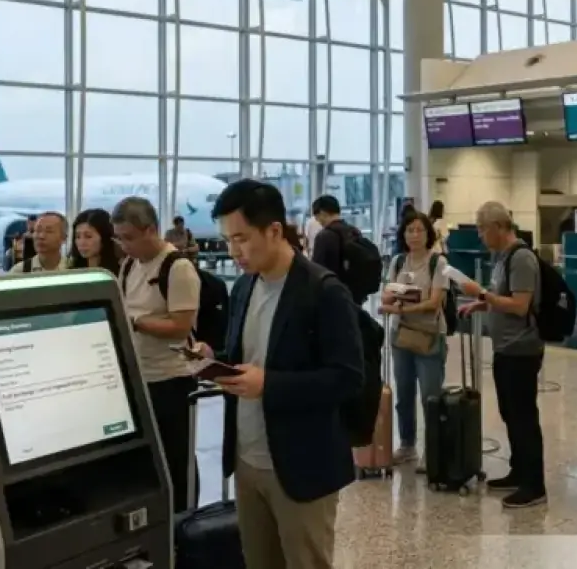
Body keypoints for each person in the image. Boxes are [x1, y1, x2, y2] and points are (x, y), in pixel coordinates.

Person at [210, 179, 363, 569]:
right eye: (227, 240)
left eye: (241, 239)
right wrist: (212, 361)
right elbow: (246, 356)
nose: (233, 251)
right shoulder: (244, 287)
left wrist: (269, 384)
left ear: (274, 230)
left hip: (300, 466)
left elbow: (347, 377)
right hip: (247, 460)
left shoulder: (323, 291)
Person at [111, 196, 205, 512]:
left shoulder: (177, 267)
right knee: (148, 462)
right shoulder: (129, 265)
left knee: (178, 460)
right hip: (139, 378)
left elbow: (180, 326)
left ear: (150, 229)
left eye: (129, 238)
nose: (124, 246)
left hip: (171, 380)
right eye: (119, 238)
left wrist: (136, 322)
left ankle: (185, 519)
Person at [456, 201, 546, 509]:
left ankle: (534, 485)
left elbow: (520, 305)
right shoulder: (502, 258)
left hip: (521, 349)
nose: (480, 235)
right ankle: (519, 471)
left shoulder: (521, 258)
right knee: (510, 414)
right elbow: (502, 297)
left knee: (523, 417)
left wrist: (481, 293)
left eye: (482, 229)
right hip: (505, 348)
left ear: (498, 227)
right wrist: (480, 304)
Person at [378, 211, 448, 466]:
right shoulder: (398, 261)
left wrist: (402, 309)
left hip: (429, 335)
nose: (415, 235)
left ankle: (434, 449)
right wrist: (390, 300)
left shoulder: (438, 262)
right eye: (410, 230)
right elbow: (387, 293)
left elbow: (434, 302)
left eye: (420, 230)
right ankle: (407, 445)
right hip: (401, 336)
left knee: (431, 396)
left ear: (429, 234)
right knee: (404, 394)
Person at [69, 208, 121, 274]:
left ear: (104, 236)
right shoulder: (72, 272)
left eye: (88, 236)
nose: (82, 242)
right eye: (78, 236)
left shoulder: (120, 272)